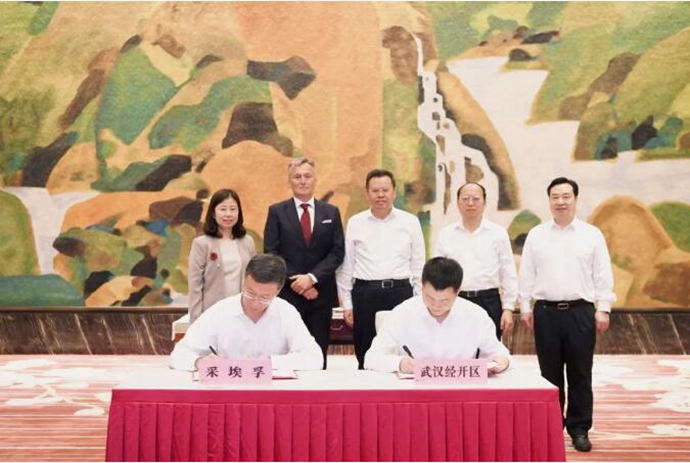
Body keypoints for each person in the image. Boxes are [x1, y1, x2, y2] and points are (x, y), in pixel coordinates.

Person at [519, 177, 615, 453]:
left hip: (580, 312)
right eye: (555, 197)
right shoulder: (537, 235)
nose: (560, 202)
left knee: (580, 372)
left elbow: (602, 273)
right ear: (549, 200)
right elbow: (527, 273)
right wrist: (524, 306)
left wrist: (603, 308)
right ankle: (551, 426)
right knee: (549, 374)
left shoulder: (591, 234)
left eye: (566, 196)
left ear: (575, 199)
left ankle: (579, 427)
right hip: (546, 312)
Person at [170, 254, 323, 371]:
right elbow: (179, 355)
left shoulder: (286, 312)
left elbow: (315, 358)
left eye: (264, 297)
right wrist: (199, 362)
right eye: (250, 293)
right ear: (243, 282)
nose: (255, 303)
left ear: (278, 291)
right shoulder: (220, 311)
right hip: (228, 392)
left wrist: (269, 362)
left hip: (273, 393)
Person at [337, 168, 425, 369]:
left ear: (394, 191)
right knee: (366, 352)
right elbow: (347, 267)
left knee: (402, 350)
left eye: (385, 190)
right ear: (367, 193)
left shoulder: (410, 222)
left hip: (400, 293)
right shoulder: (356, 222)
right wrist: (347, 304)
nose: (380, 195)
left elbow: (419, 265)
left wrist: (418, 301)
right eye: (375, 191)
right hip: (365, 295)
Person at [264, 158, 345, 368]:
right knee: (287, 355)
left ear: (315, 179)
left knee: (318, 354)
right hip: (289, 295)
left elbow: (337, 253)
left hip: (321, 295)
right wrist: (298, 283)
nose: (302, 181)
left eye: (307, 176)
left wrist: (311, 279)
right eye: (297, 176)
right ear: (289, 180)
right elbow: (272, 253)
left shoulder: (331, 212)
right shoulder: (277, 212)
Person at [364, 257, 510, 374]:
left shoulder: (476, 315)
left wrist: (501, 361)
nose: (436, 305)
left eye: (444, 301)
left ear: (458, 292)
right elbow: (371, 358)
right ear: (422, 286)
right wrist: (399, 363)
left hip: (462, 390)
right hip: (415, 392)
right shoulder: (403, 313)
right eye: (429, 298)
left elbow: (499, 353)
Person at [434, 182, 518, 339]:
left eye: (475, 199)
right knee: (455, 348)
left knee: (487, 350)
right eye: (465, 199)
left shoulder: (498, 233)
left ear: (484, 202)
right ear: (458, 203)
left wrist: (508, 308)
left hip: (488, 300)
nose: (470, 203)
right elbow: (437, 273)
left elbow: (508, 273)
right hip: (455, 301)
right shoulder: (446, 234)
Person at [188, 189, 256, 324]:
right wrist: (196, 321)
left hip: (243, 313)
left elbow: (254, 278)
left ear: (239, 212)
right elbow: (195, 285)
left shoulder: (248, 241)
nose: (228, 214)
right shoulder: (201, 244)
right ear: (213, 213)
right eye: (223, 209)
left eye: (233, 209)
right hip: (213, 313)